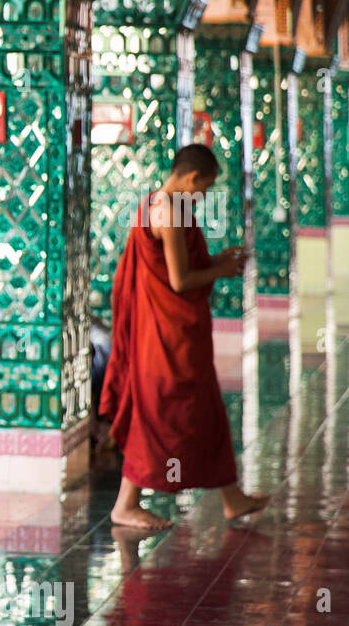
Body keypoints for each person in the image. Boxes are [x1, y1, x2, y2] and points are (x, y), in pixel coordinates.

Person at [99, 144, 268, 529]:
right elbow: (180, 280)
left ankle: (232, 497)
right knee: (162, 415)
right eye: (204, 188)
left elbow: (180, 267)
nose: (202, 196)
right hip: (165, 338)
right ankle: (126, 503)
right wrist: (221, 271)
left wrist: (215, 261)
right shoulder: (169, 211)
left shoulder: (154, 204)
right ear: (191, 178)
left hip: (175, 333)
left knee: (204, 410)